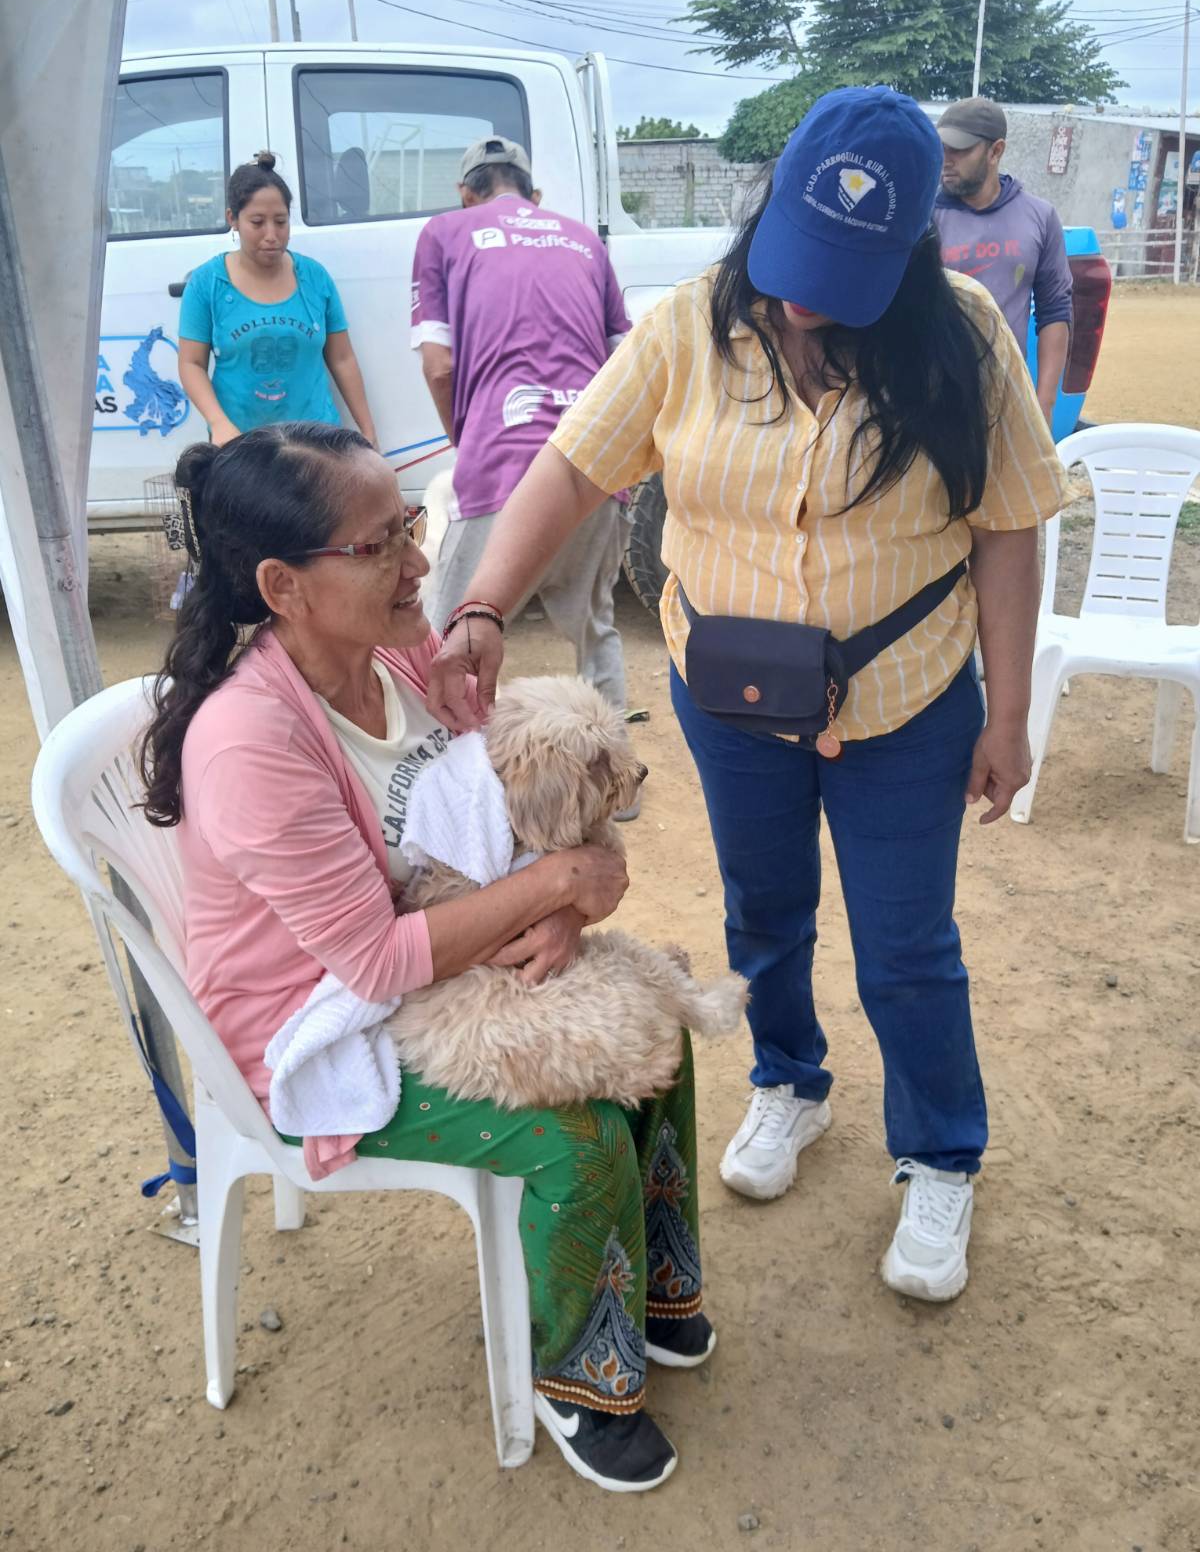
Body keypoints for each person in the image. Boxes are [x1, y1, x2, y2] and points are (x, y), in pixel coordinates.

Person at [427, 88, 1066, 1305]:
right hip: (734, 697)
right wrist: (484, 605)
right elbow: (571, 468)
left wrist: (1008, 712)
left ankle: (940, 1153)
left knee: (908, 944)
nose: (803, 301)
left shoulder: (968, 336)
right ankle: (788, 1080)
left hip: (905, 699)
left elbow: (1009, 528)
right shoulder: (687, 328)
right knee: (765, 911)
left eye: (844, 277)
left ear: (910, 253)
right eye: (795, 259)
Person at [137, 421, 711, 1492]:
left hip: (443, 964)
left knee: (658, 1026)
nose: (418, 561)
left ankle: (656, 1288)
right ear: (283, 586)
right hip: (318, 1027)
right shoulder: (252, 741)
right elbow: (372, 961)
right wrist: (558, 885)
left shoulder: (397, 657)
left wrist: (570, 900)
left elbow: (518, 816)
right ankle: (580, 1375)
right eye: (380, 545)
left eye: (410, 525)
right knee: (580, 1132)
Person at [411, 135, 634, 724]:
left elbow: (439, 366)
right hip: (593, 468)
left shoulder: (444, 232)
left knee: (450, 641)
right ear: (533, 195)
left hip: (500, 469)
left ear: (466, 193)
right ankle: (617, 770)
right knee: (596, 634)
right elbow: (628, 363)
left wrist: (468, 443)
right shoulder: (584, 239)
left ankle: (447, 769)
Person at [178, 153, 377, 447]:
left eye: (281, 222)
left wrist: (368, 432)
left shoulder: (315, 278)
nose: (271, 235)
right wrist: (219, 424)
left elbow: (342, 358)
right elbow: (191, 363)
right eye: (257, 222)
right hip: (241, 444)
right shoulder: (207, 283)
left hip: (316, 443)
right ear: (233, 219)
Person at [933, 97, 1073, 431]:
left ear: (995, 151)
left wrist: (1044, 403)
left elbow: (1055, 310)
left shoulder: (1039, 217)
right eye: (942, 148)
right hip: (932, 397)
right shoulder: (923, 215)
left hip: (1006, 399)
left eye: (959, 150)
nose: (946, 160)